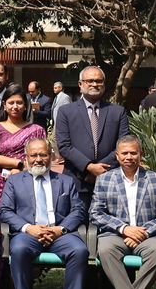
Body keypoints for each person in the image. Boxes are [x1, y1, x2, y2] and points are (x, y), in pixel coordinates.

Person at [0, 138, 90, 289]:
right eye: (34, 155)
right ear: (26, 157)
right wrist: (28, 228)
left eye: (43, 155)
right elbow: (5, 210)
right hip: (28, 234)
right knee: (19, 250)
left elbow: (78, 210)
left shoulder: (66, 181)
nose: (38, 159)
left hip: (60, 233)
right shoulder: (15, 181)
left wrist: (59, 229)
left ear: (51, 156)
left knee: (79, 250)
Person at [89, 135, 156, 289]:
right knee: (106, 250)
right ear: (117, 156)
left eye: (133, 153)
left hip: (148, 235)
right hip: (115, 235)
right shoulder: (104, 179)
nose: (129, 157)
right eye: (125, 153)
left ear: (141, 154)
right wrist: (124, 229)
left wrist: (144, 232)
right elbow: (95, 213)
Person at [55, 66, 130, 199]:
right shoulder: (66, 111)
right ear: (80, 84)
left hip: (110, 181)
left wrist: (100, 170)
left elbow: (123, 145)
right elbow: (64, 146)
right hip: (77, 181)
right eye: (90, 81)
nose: (94, 84)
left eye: (99, 81)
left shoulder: (118, 112)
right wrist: (89, 167)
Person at [0, 84, 46, 206]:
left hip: (28, 179)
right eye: (11, 103)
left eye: (19, 103)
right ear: (4, 104)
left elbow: (43, 158)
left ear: (26, 105)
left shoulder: (36, 130)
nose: (15, 106)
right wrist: (21, 164)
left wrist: (21, 171)